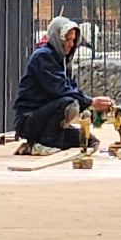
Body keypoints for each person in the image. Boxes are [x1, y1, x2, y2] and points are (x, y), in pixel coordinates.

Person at [14, 15, 114, 155]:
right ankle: (43, 143)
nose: (71, 44)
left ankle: (35, 144)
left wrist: (89, 107)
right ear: (57, 38)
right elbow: (61, 90)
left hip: (46, 118)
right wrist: (90, 102)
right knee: (69, 103)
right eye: (67, 40)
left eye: (73, 40)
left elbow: (72, 89)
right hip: (29, 119)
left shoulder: (64, 62)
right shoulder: (43, 57)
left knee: (89, 141)